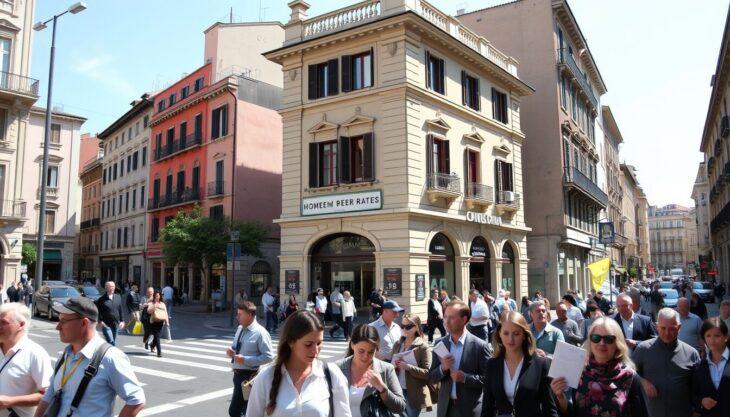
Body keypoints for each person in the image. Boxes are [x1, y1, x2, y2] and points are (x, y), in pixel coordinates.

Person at [34, 297, 145, 417]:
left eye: (63, 321)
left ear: (84, 323)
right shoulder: (66, 354)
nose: (58, 327)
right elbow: (49, 395)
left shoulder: (110, 357)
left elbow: (136, 400)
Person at [245, 310, 351, 417]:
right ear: (291, 342)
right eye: (308, 344)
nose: (315, 350)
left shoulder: (331, 374)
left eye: (319, 343)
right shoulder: (266, 377)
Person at [550, 317, 649, 417]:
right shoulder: (580, 372)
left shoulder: (630, 377)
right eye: (596, 338)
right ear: (590, 341)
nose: (602, 343)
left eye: (609, 339)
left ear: (617, 344)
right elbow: (573, 413)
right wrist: (560, 397)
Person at [482, 311, 557, 417]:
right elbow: (487, 407)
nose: (510, 339)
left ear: (524, 335)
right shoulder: (492, 364)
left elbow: (549, 408)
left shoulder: (541, 364)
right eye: (506, 333)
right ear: (499, 334)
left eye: (516, 334)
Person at [632, 307, 701, 417]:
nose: (667, 333)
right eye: (663, 328)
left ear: (679, 328)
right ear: (657, 326)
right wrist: (642, 382)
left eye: (672, 329)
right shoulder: (643, 349)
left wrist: (697, 411)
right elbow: (628, 373)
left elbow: (698, 388)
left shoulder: (691, 354)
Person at [428, 300, 491, 417]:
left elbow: (488, 380)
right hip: (445, 409)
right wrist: (442, 368)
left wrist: (465, 378)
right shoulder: (440, 344)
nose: (446, 321)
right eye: (445, 317)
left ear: (464, 319)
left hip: (470, 410)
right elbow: (431, 377)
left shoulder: (480, 346)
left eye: (451, 317)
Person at [336, 324, 407, 417]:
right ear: (352, 345)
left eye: (370, 352)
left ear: (376, 349)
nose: (365, 356)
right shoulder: (337, 368)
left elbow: (400, 407)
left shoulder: (386, 369)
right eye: (361, 351)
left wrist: (382, 388)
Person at [0, 303, 53, 417]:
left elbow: (48, 395)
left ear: (21, 324)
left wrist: (10, 401)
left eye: (3, 322)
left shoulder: (35, 353)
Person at [226, 301, 274, 417]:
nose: (237, 317)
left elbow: (268, 357)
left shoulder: (261, 333)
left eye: (240, 314)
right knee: (241, 411)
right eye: (237, 314)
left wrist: (245, 359)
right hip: (238, 376)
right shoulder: (240, 328)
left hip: (249, 378)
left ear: (250, 315)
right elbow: (237, 347)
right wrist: (232, 352)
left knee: (237, 411)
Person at [392, 314, 432, 417]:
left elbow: (427, 373)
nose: (404, 329)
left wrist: (408, 367)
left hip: (414, 392)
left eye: (408, 327)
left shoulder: (423, 347)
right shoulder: (397, 344)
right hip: (398, 389)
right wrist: (393, 366)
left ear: (416, 327)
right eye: (402, 326)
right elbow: (391, 366)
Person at [692, 317, 730, 417]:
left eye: (717, 336)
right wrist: (701, 401)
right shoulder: (699, 366)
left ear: (726, 336)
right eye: (708, 336)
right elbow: (693, 394)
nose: (712, 340)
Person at [95, 281, 125, 346]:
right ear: (106, 288)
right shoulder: (101, 299)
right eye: (110, 287)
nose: (112, 288)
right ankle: (111, 350)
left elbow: (120, 309)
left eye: (113, 286)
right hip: (106, 324)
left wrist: (122, 321)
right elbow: (98, 311)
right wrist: (100, 321)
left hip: (116, 323)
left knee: (113, 341)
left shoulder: (118, 297)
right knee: (111, 341)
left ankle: (109, 350)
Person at [146, 290, 168, 357]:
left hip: (161, 322)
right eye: (155, 296)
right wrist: (154, 306)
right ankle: (159, 352)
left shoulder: (162, 304)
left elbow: (165, 313)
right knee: (157, 337)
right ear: (154, 297)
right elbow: (148, 311)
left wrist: (167, 322)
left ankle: (152, 345)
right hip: (154, 322)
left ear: (160, 296)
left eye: (158, 296)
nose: (157, 297)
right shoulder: (151, 303)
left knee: (157, 336)